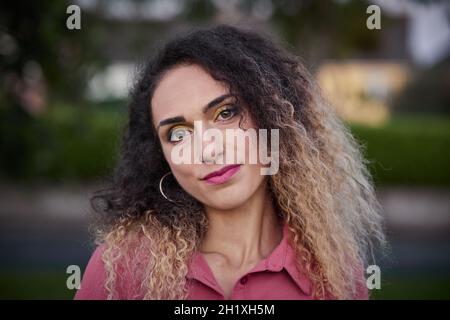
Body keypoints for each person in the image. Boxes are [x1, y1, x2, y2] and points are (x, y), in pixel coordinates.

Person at [74, 24, 385, 300]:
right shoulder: (121, 270)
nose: (208, 151)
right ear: (161, 159)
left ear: (272, 120)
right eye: (178, 134)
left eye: (226, 113)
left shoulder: (333, 274)